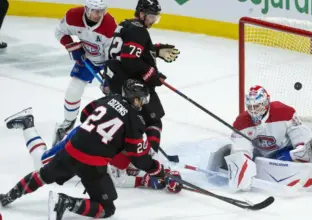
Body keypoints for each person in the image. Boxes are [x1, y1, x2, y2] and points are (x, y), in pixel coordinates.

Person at [0, 79, 182, 220]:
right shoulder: (135, 121)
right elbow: (139, 158)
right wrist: (160, 172)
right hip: (92, 163)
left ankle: (7, 197)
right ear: (135, 99)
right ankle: (66, 202)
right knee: (107, 208)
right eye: (141, 99)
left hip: (72, 148)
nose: (142, 103)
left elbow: (85, 113)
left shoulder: (110, 98)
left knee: (42, 174)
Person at [206, 85, 312, 193]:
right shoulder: (242, 122)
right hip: (260, 157)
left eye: (257, 106)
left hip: (284, 152)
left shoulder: (284, 112)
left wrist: (300, 148)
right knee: (241, 160)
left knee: (307, 153)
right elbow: (242, 148)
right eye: (250, 107)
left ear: (266, 102)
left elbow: (299, 133)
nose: (254, 111)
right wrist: (243, 164)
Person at [104, 0, 180, 167]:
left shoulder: (125, 24)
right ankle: (148, 159)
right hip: (131, 86)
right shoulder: (139, 31)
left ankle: (120, 158)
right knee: (153, 120)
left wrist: (154, 50)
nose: (153, 20)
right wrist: (153, 74)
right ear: (142, 13)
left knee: (125, 122)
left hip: (114, 81)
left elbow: (128, 50)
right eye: (151, 16)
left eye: (156, 17)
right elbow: (130, 60)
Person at [52, 0, 117, 146]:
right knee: (73, 91)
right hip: (88, 59)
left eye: (102, 10)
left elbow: (112, 54)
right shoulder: (73, 16)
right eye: (95, 11)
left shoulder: (109, 25)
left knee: (117, 97)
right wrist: (72, 46)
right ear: (87, 9)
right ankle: (67, 123)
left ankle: (119, 129)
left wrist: (109, 76)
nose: (99, 14)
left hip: (109, 62)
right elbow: (59, 32)